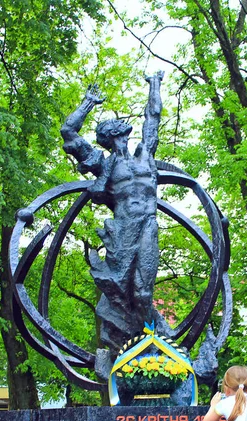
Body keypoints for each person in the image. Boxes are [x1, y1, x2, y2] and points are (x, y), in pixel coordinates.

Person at [60, 73, 165, 348]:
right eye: (113, 132)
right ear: (109, 138)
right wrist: (87, 104)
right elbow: (68, 133)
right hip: (124, 233)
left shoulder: (146, 155)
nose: (119, 134)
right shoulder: (104, 164)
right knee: (121, 293)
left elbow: (153, 117)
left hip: (148, 226)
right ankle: (133, 346)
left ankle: (149, 344)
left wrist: (155, 84)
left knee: (143, 293)